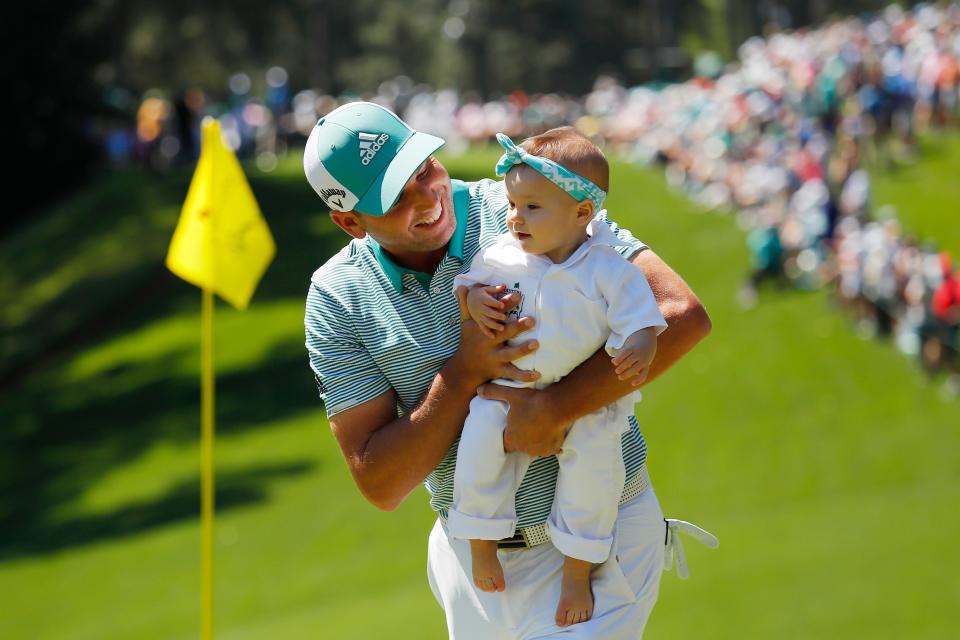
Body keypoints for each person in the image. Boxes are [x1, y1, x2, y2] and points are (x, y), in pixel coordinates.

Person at [303, 101, 712, 639]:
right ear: (349, 222)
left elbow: (680, 314)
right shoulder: (337, 297)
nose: (427, 197)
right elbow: (380, 481)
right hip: (470, 565)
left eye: (424, 170)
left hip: (596, 548)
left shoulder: (527, 201)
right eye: (396, 197)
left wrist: (555, 408)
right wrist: (464, 372)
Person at [448, 129, 667, 628]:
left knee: (594, 469)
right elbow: (470, 287)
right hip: (513, 385)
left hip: (585, 400)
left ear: (582, 214)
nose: (515, 218)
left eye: (532, 208)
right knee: (479, 440)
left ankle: (577, 568)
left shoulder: (607, 268)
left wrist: (639, 345)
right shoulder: (502, 254)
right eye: (512, 204)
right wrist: (474, 301)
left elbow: (644, 318)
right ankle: (482, 542)